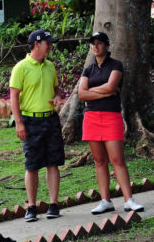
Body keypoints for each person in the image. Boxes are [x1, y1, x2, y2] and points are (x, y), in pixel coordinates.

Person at [78, 32, 144, 215]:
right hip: (91, 117)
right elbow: (82, 94)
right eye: (93, 44)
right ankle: (105, 200)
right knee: (99, 161)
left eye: (99, 43)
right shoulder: (88, 70)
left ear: (107, 46)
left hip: (111, 117)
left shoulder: (116, 65)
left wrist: (97, 90)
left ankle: (128, 200)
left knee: (117, 160)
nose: (96, 46)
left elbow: (110, 85)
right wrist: (106, 92)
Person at [9, 29, 65, 222]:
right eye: (47, 43)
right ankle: (31, 207)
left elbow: (57, 89)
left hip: (50, 119)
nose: (50, 46)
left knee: (53, 162)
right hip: (30, 121)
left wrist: (57, 97)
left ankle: (53, 204)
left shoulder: (50, 66)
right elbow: (14, 97)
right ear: (36, 44)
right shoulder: (21, 67)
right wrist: (19, 123)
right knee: (32, 164)